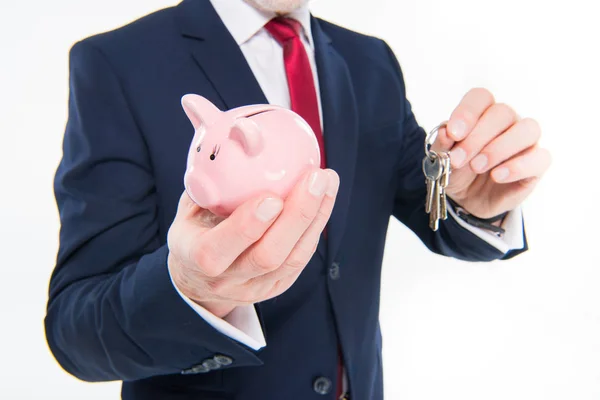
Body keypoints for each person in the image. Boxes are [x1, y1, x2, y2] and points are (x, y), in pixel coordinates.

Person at [44, 0, 551, 398]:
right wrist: (193, 290)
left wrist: (480, 202)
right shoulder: (117, 61)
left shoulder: (370, 60)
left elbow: (428, 205)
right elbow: (76, 329)